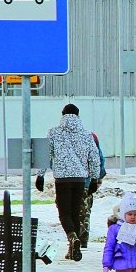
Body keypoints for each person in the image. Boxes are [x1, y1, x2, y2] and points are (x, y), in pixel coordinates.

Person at [36, 103, 101, 262]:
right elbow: (94, 157)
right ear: (78, 116)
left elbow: (46, 155)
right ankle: (72, 250)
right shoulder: (87, 134)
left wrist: (40, 176)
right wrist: (94, 178)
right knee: (75, 213)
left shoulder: (54, 132)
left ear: (62, 115)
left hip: (62, 180)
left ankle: (72, 237)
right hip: (80, 180)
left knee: (64, 213)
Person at [79, 132, 106, 248]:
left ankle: (73, 238)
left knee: (69, 212)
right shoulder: (91, 136)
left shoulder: (61, 135)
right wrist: (98, 177)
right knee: (85, 212)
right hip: (87, 182)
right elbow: (99, 158)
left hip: (66, 181)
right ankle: (83, 240)